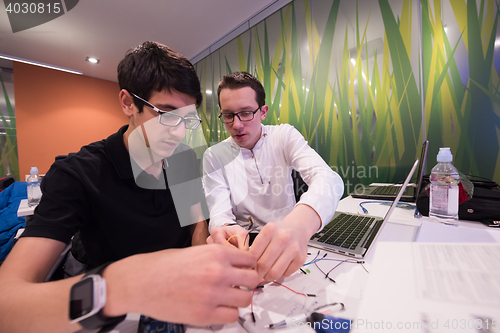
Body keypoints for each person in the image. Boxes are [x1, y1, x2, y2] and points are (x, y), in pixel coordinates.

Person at [0, 42, 260, 332]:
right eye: (165, 114)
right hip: (116, 315)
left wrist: (212, 245)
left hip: (186, 305)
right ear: (127, 102)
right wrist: (122, 285)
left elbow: (194, 223)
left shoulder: (183, 159)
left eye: (186, 119)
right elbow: (7, 305)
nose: (177, 132)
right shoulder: (79, 173)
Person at [203, 72, 344, 282]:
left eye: (246, 113)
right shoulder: (214, 155)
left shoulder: (283, 136)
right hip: (246, 243)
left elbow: (328, 179)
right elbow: (219, 212)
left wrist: (300, 225)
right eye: (228, 115)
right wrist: (224, 229)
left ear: (263, 112)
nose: (237, 124)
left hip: (291, 233)